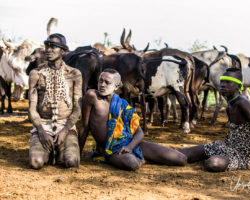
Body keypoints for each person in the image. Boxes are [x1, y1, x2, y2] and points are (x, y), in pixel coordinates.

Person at [180, 68, 250, 174]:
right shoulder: (229, 106)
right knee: (182, 154)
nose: (223, 85)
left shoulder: (243, 104)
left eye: (228, 82)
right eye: (222, 82)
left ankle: (211, 158)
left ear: (238, 86)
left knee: (212, 164)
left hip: (241, 156)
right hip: (225, 147)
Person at [79, 68, 187, 171]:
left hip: (131, 144)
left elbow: (139, 132)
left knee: (181, 159)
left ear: (116, 86)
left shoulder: (123, 105)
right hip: (112, 150)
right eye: (100, 81)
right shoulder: (92, 96)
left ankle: (204, 149)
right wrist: (78, 152)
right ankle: (143, 158)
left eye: (107, 82)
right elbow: (84, 126)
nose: (102, 85)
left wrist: (130, 146)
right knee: (131, 163)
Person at [28, 33, 82, 169]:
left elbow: (77, 108)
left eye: (54, 47)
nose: (48, 50)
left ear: (63, 51)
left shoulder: (74, 74)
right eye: (47, 46)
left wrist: (65, 130)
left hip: (66, 126)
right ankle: (47, 150)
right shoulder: (36, 73)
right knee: (36, 162)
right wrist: (40, 131)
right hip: (43, 125)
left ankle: (59, 151)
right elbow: (32, 108)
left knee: (72, 162)